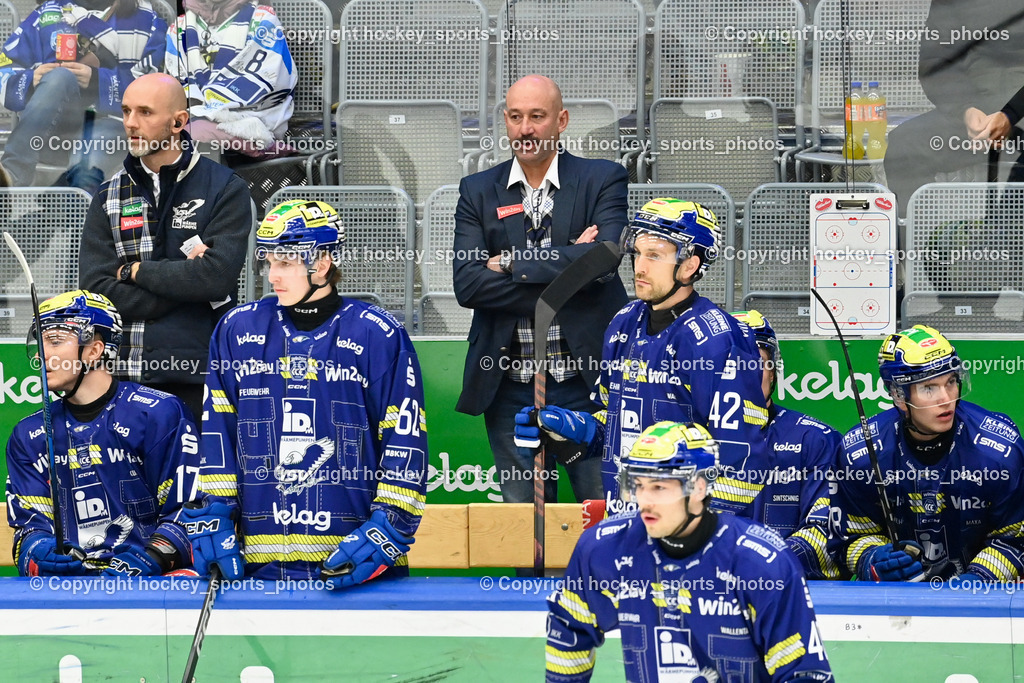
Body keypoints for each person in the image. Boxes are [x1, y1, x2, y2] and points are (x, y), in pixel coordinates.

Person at [187, 199, 428, 586]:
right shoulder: (236, 330)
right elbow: (219, 432)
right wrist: (216, 509)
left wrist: (390, 525)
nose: (272, 276)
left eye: (285, 263)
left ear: (321, 263)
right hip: (254, 567)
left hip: (350, 567)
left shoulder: (377, 333)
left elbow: (405, 438)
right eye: (268, 262)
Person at [514, 198, 769, 514]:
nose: (640, 266)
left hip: (685, 538)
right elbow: (618, 422)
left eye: (655, 256)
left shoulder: (718, 338)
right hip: (629, 524)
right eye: (637, 253)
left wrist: (695, 540)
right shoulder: (625, 321)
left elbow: (738, 461)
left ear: (690, 265)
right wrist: (574, 429)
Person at [453, 74, 629, 504]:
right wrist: (571, 266)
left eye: (537, 116)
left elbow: (605, 260)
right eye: (515, 117)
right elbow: (468, 284)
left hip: (589, 388)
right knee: (524, 530)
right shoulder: (477, 190)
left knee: (603, 516)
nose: (525, 129)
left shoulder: (602, 178)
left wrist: (510, 263)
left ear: (561, 120)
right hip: (510, 388)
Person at [546, 421, 833, 682]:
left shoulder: (762, 563)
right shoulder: (604, 548)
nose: (644, 501)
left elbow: (804, 674)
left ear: (698, 487)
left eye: (658, 487)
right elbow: (568, 630)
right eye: (637, 485)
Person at [78, 72, 254, 421]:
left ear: (178, 122)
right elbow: (96, 291)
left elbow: (216, 279)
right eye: (126, 111)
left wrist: (132, 271)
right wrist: (188, 285)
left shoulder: (225, 187)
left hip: (199, 377)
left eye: (145, 112)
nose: (131, 123)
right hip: (120, 377)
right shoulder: (107, 194)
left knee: (196, 478)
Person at [5, 290, 201, 577]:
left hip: (149, 589)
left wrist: (155, 557)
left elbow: (190, 511)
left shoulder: (158, 413)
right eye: (40, 341)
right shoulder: (29, 434)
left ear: (95, 350)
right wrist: (38, 550)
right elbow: (29, 529)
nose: (41, 353)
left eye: (55, 341)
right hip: (70, 592)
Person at [831, 325, 1024, 582]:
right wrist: (872, 558)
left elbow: (1015, 539)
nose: (946, 399)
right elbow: (848, 537)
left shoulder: (999, 448)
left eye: (951, 382)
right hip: (897, 609)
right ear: (898, 394)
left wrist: (980, 579)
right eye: (929, 388)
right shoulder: (861, 453)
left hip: (982, 604)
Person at [0, 0, 167, 192]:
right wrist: (31, 78)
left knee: (83, 177)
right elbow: (5, 69)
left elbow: (158, 90)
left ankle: (49, 215)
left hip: (111, 124)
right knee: (59, 77)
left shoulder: (148, 20)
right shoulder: (47, 13)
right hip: (46, 127)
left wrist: (98, 81)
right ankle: (11, 175)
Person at [730, 310, 841, 580]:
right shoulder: (687, 443)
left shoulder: (816, 439)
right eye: (732, 365)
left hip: (796, 593)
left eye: (758, 364)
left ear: (773, 372)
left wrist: (765, 565)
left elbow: (828, 530)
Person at [884, 0, 1024, 212]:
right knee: (904, 146)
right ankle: (921, 242)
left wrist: (1011, 113)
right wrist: (966, 109)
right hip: (974, 115)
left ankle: (1006, 234)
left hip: (1019, 110)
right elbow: (935, 60)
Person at [158, 0, 297, 157]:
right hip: (195, 116)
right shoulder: (179, 27)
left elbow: (271, 76)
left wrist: (211, 109)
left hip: (252, 119)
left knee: (193, 134)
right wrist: (199, 110)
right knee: (167, 132)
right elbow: (175, 82)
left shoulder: (263, 19)